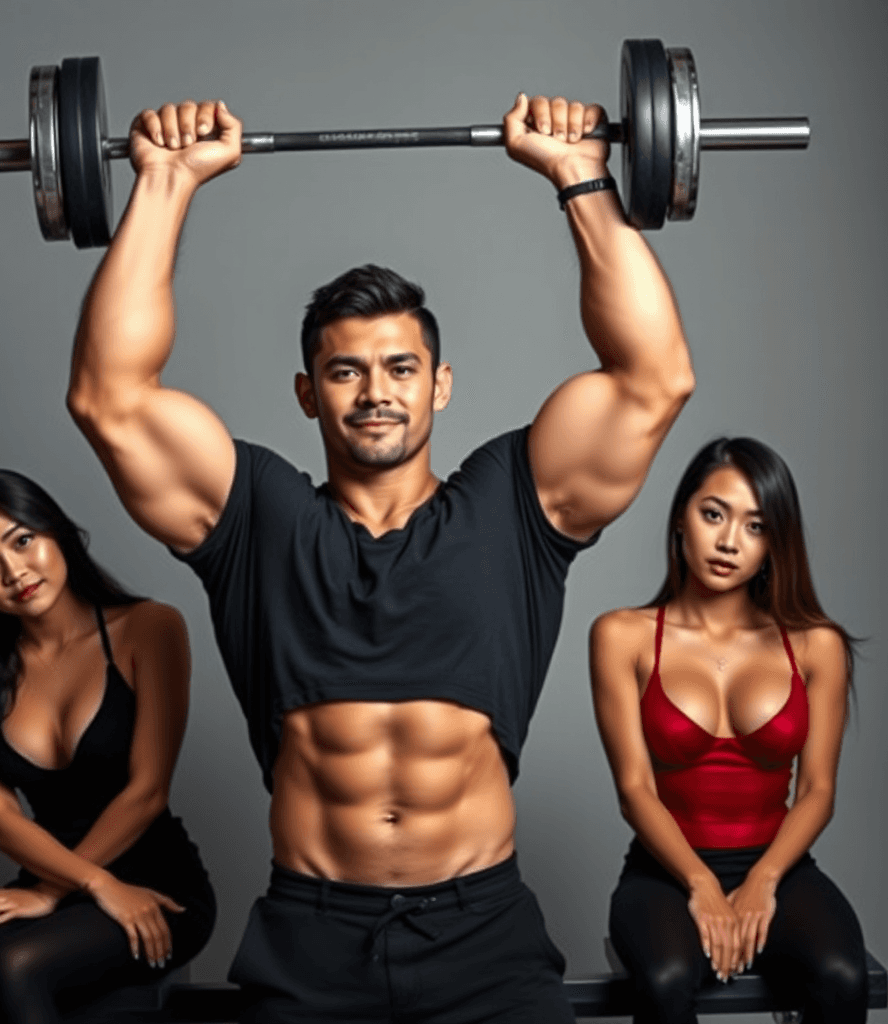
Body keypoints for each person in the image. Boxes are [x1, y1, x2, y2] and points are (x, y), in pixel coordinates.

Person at [66, 91, 694, 1024]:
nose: (376, 393)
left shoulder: (515, 505)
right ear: (308, 394)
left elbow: (654, 378)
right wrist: (164, 183)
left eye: (401, 368)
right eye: (345, 370)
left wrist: (579, 174)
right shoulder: (259, 519)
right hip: (311, 935)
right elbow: (108, 397)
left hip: (482, 933)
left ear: (439, 384)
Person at [0, 469, 216, 1024]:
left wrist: (63, 890)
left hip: (155, 885)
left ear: (57, 533)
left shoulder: (148, 629)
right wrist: (77, 885)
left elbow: (147, 791)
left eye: (22, 540)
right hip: (58, 880)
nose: (14, 572)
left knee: (18, 965)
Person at [590, 437, 868, 1024]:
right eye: (713, 514)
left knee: (844, 978)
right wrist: (701, 882)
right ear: (681, 520)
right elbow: (634, 789)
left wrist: (764, 879)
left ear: (773, 543)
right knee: (665, 984)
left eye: (755, 525)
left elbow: (818, 791)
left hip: (781, 867)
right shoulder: (622, 636)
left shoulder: (817, 646)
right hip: (663, 871)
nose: (728, 541)